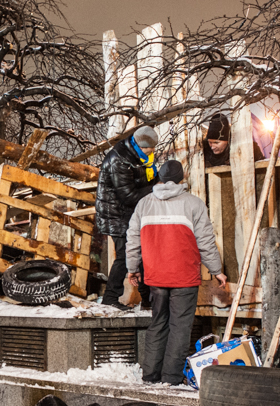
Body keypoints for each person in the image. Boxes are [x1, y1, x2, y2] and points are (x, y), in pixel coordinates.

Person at [125, 160, 227, 385]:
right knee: (180, 327)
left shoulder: (144, 204)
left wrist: (132, 268)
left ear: (159, 177)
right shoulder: (194, 204)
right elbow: (206, 241)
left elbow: (132, 238)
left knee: (158, 322)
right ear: (181, 178)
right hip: (184, 277)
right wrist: (216, 270)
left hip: (156, 276)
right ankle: (170, 378)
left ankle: (150, 376)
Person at [95, 125, 158, 309]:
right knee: (124, 256)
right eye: (149, 149)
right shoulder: (118, 160)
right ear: (140, 146)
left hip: (129, 214)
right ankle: (110, 298)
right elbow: (128, 196)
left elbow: (141, 182)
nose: (152, 152)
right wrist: (156, 187)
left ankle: (147, 301)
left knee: (142, 255)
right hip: (115, 214)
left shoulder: (139, 157)